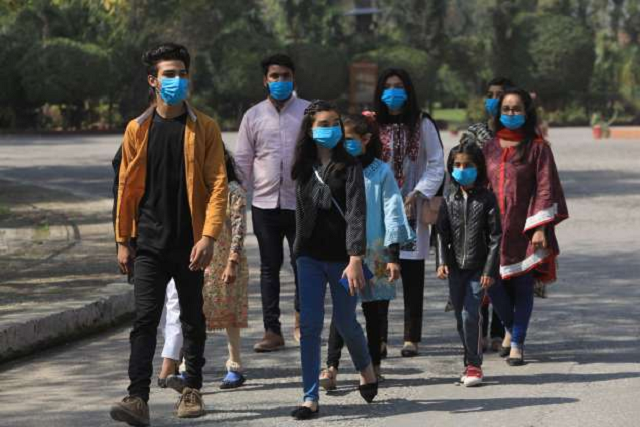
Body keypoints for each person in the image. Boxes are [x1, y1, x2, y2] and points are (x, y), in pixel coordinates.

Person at [110, 43, 228, 425]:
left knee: (193, 318)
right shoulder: (137, 129)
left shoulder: (205, 128)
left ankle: (191, 389)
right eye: (168, 74)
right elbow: (125, 189)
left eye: (181, 73)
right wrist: (122, 241)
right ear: (153, 80)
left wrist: (209, 237)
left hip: (190, 242)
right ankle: (137, 398)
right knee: (145, 319)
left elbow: (218, 185)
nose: (176, 80)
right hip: (148, 243)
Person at [290, 100, 378, 420]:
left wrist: (355, 258)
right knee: (310, 326)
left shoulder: (351, 165)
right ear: (310, 130)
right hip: (310, 258)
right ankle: (310, 397)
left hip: (343, 260)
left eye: (335, 123)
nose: (331, 129)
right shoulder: (302, 166)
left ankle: (365, 368)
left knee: (345, 321)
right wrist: (297, 254)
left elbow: (356, 214)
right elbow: (300, 217)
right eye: (324, 124)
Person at [319, 112, 414, 390]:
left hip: (378, 252)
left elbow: (393, 213)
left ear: (366, 140)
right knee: (342, 311)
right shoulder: (334, 169)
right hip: (346, 254)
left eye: (350, 139)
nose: (344, 144)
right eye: (341, 139)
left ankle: (373, 365)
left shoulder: (381, 172)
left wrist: (394, 256)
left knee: (375, 313)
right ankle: (331, 367)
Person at [483, 87, 568, 366]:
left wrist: (541, 227)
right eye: (506, 109)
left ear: (526, 112)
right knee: (493, 285)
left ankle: (517, 342)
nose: (511, 114)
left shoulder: (538, 147)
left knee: (522, 286)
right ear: (499, 112)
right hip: (494, 230)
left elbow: (546, 188)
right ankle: (510, 328)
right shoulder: (489, 147)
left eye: (516, 109)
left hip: (526, 228)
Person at [157, 146, 249, 391]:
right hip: (200, 260)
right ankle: (188, 366)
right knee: (194, 313)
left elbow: (239, 231)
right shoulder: (198, 192)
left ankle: (235, 366)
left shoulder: (234, 191)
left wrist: (232, 262)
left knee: (230, 314)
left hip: (228, 261)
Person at [235, 53, 310, 352]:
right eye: (274, 76)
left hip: (301, 204)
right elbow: (242, 159)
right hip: (264, 204)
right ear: (265, 80)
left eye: (286, 76)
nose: (280, 81)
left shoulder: (307, 112)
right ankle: (272, 330)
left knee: (302, 264)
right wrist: (238, 196)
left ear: (293, 79)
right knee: (269, 268)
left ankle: (301, 324)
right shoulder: (253, 116)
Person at [374, 68, 445, 357]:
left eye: (399, 86)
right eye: (388, 86)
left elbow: (437, 163)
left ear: (409, 90)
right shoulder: (373, 124)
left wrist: (417, 192)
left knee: (413, 276)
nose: (393, 91)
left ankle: (410, 337)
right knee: (380, 276)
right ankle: (378, 336)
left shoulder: (422, 123)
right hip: (379, 211)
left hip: (413, 209)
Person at [435, 138, 502, 387]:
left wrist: (489, 269)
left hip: (478, 267)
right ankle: (468, 361)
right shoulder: (449, 199)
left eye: (468, 165)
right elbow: (441, 233)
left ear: (478, 167)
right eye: (457, 164)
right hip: (455, 267)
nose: (462, 169)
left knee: (470, 314)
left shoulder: (486, 199)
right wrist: (441, 261)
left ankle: (475, 365)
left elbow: (495, 236)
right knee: (459, 317)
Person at [465, 77, 514, 351]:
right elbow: (459, 167)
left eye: (501, 95)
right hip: (478, 211)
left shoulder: (521, 136)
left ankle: (502, 330)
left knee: (506, 273)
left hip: (510, 214)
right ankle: (479, 329)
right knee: (479, 270)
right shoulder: (474, 133)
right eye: (491, 94)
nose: (495, 100)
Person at [467, 77, 515, 148]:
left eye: (499, 95)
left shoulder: (517, 133)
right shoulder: (475, 131)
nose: (494, 99)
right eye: (490, 95)